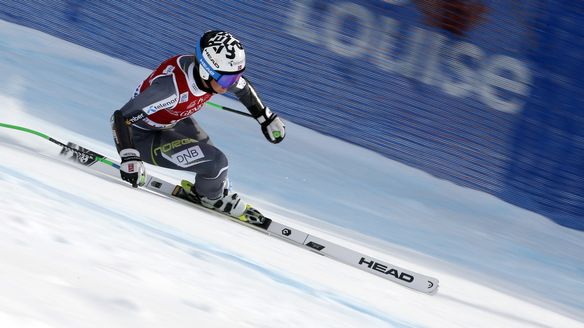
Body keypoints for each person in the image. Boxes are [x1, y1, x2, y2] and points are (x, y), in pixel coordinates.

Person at [110, 30, 285, 223]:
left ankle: (211, 189)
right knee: (217, 163)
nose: (231, 85)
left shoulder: (214, 75)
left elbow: (243, 88)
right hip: (140, 138)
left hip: (170, 120)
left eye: (235, 77)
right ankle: (212, 198)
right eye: (227, 80)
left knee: (212, 159)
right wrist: (129, 156)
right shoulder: (170, 90)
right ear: (205, 71)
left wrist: (266, 117)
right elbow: (120, 118)